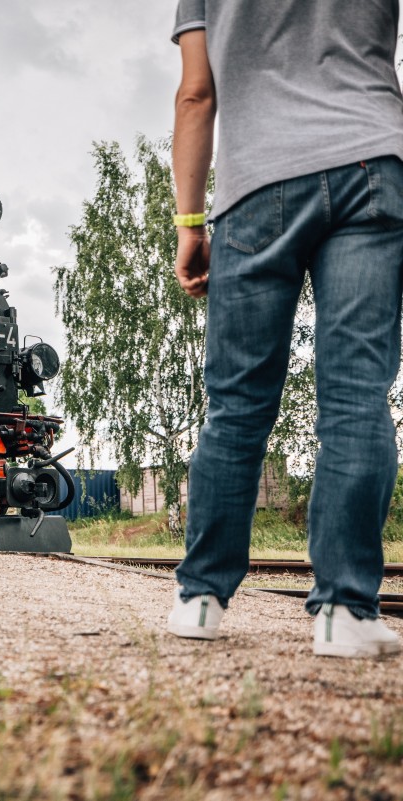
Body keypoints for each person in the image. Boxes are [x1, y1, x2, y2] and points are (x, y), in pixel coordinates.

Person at [168, 0, 403, 658]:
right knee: (357, 391)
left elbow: (195, 93)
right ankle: (345, 611)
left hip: (255, 185)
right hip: (370, 162)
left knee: (238, 402)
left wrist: (191, 226)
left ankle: (199, 599)